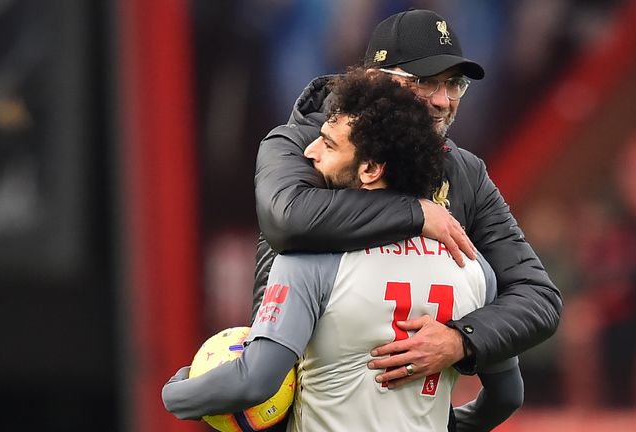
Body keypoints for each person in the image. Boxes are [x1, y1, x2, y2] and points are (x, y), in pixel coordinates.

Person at [163, 69, 521, 431]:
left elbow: (254, 381)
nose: (310, 151)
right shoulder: (473, 267)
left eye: (329, 144)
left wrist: (177, 393)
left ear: (369, 169)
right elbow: (506, 396)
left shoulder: (311, 257)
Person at [253, 8, 561, 388]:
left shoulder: (464, 172)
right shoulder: (299, 143)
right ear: (372, 80)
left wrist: (461, 340)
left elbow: (538, 297)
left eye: (454, 84)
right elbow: (287, 218)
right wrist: (417, 213)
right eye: (424, 81)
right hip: (301, 406)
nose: (442, 100)